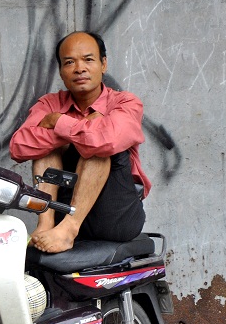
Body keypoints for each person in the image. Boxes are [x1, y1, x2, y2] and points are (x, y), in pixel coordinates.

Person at [10, 31, 150, 254]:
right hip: (61, 211)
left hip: (115, 215)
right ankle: (46, 224)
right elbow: (19, 146)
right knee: (46, 149)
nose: (79, 68)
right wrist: (80, 127)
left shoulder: (125, 102)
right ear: (61, 71)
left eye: (88, 59)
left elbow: (107, 142)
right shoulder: (50, 103)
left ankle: (69, 229)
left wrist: (58, 122)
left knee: (97, 148)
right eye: (69, 62)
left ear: (103, 64)